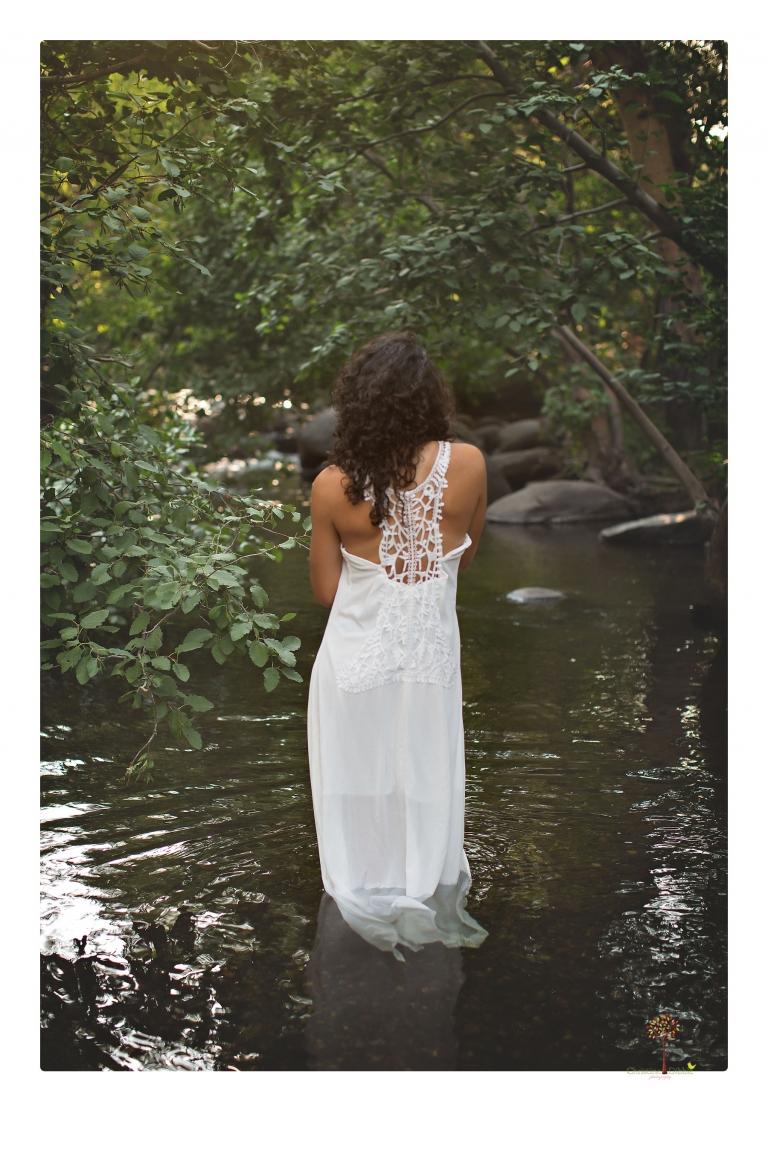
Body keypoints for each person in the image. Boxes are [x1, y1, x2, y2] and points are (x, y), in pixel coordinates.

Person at [307, 332, 488, 959]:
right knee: (424, 767)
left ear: (355, 403)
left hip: (353, 655)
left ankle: (364, 881)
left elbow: (329, 592)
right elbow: (463, 556)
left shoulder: (332, 484)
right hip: (430, 655)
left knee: (357, 774)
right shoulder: (468, 465)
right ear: (428, 398)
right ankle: (422, 879)